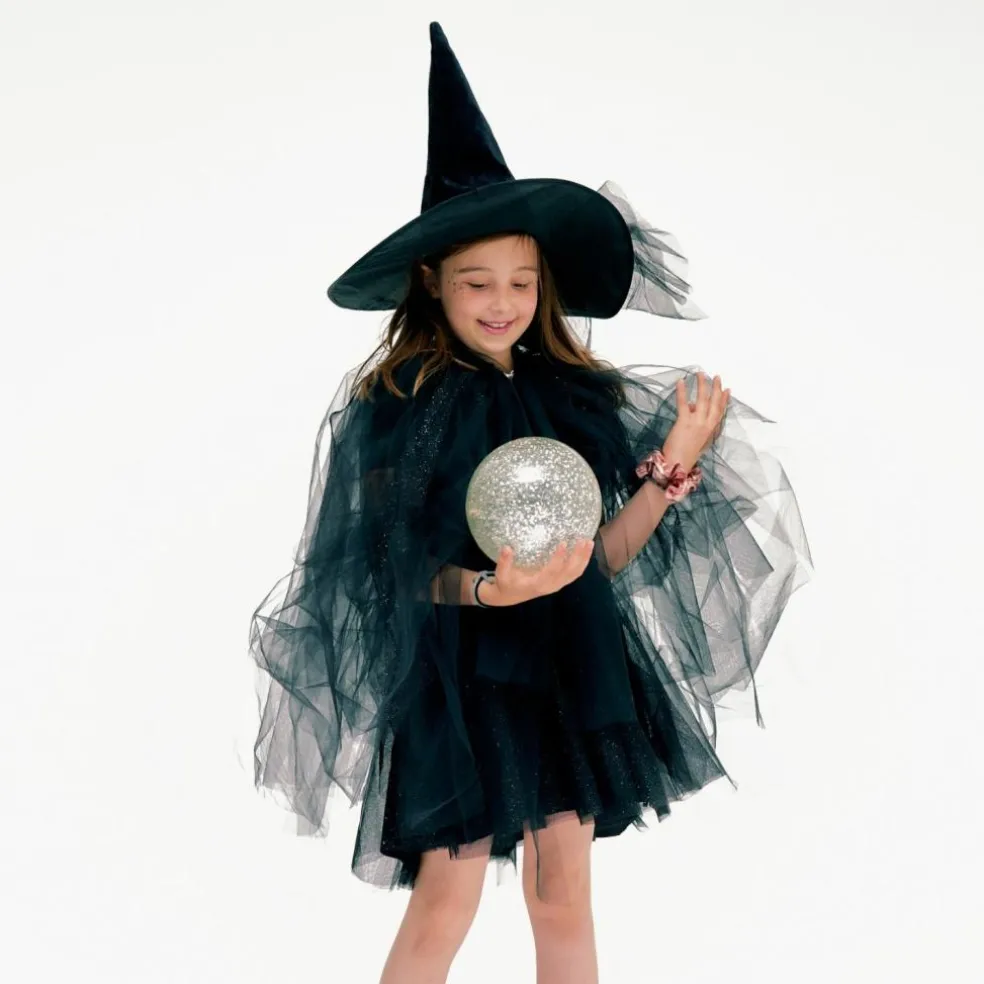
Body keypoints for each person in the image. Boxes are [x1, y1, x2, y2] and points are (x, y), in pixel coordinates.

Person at [248, 22, 813, 984]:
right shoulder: (404, 406)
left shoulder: (570, 398)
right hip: (464, 685)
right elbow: (389, 566)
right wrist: (487, 592)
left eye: (521, 280)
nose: (501, 301)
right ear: (433, 282)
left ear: (544, 283)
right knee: (447, 899)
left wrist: (669, 470)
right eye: (477, 282)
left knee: (564, 899)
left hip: (567, 675)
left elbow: (600, 560)